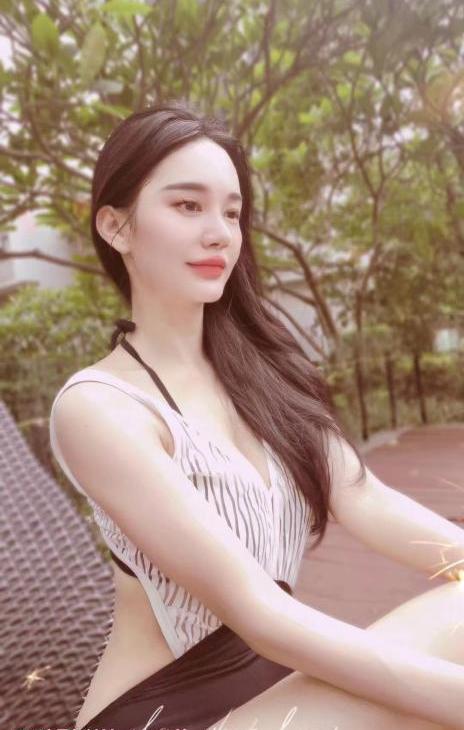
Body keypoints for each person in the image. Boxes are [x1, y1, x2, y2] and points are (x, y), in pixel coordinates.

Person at [49, 102, 464, 730]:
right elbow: (258, 613)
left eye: (231, 212)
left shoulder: (261, 377)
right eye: (187, 205)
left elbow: (366, 498)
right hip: (170, 710)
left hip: (272, 693)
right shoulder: (100, 407)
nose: (219, 232)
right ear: (117, 227)